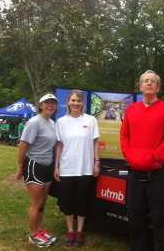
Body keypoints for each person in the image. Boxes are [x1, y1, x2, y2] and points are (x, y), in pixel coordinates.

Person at [120, 70, 164, 251]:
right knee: (136, 218)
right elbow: (124, 134)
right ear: (140, 86)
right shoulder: (131, 109)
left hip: (157, 171)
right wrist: (129, 155)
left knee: (160, 219)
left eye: (153, 81)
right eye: (146, 81)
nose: (149, 83)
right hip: (135, 171)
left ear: (158, 87)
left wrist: (154, 157)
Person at [54, 89, 100, 247]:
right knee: (67, 200)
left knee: (82, 200)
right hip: (67, 167)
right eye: (73, 100)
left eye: (78, 101)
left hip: (85, 168)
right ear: (68, 102)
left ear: (83, 103)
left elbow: (95, 143)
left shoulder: (91, 120)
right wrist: (56, 166)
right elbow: (59, 145)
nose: (75, 103)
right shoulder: (61, 122)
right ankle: (70, 231)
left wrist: (97, 162)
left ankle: (79, 231)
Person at [15, 93, 58, 248]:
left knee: (43, 201)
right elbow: (23, 145)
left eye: (53, 103)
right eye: (47, 103)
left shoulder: (51, 123)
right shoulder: (34, 123)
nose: (50, 105)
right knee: (36, 202)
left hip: (47, 165)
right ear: (41, 105)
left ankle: (39, 229)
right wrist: (20, 167)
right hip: (34, 165)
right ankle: (33, 235)